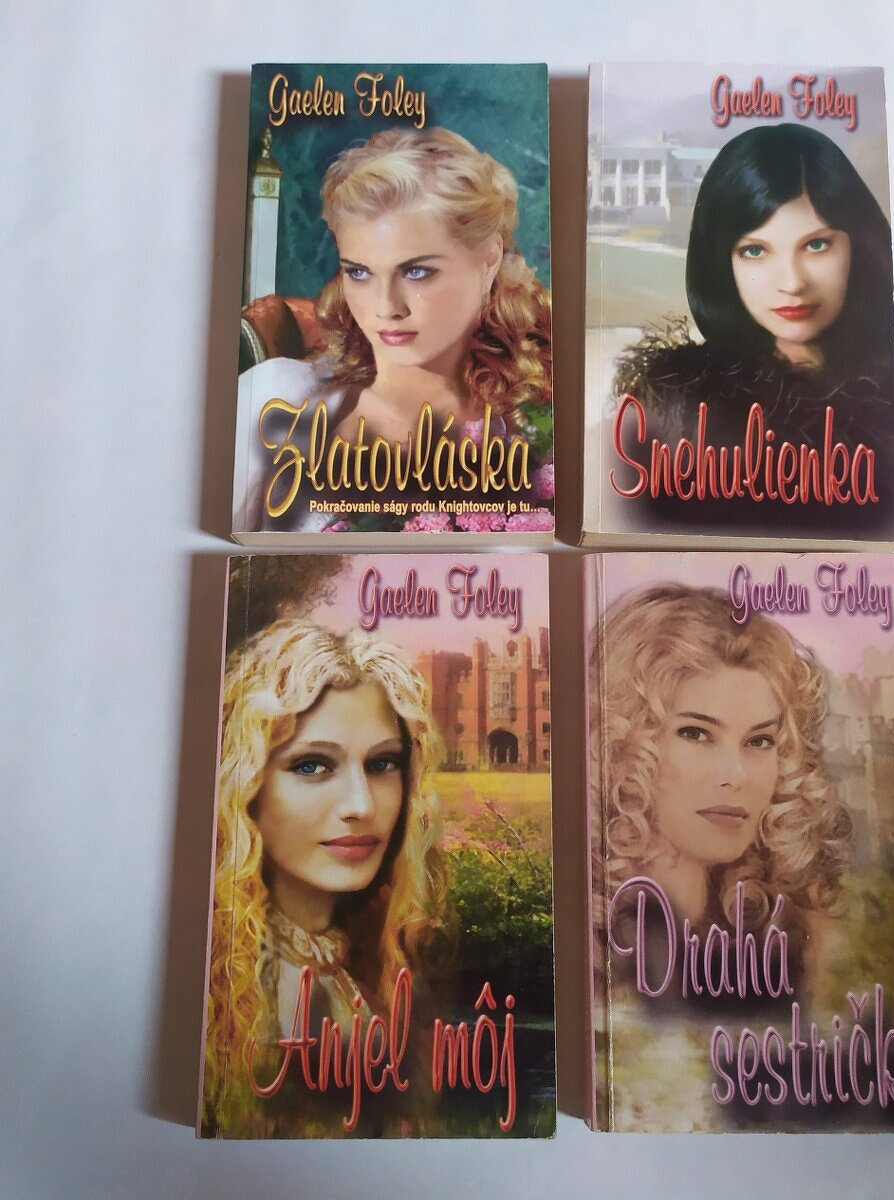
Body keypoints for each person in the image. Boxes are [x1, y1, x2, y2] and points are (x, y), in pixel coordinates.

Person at [236, 125, 552, 532]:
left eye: (416, 271)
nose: (386, 307)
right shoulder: (275, 395)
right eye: (360, 272)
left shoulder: (537, 431)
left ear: (488, 259)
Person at [202, 620, 448, 1134]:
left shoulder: (364, 963)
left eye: (382, 763)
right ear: (245, 786)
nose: (361, 806)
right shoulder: (249, 996)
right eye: (312, 766)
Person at [612, 123, 894, 536]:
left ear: (857, 244)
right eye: (755, 250)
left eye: (816, 245)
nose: (792, 282)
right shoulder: (678, 406)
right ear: (722, 261)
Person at [588, 584, 851, 985]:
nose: (736, 775)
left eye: (759, 741)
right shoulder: (573, 942)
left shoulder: (808, 948)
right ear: (620, 743)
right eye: (695, 734)